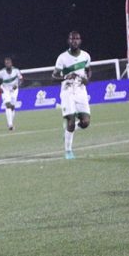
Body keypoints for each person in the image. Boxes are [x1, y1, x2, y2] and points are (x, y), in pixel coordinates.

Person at [52, 31, 91, 160]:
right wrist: (65, 76)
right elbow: (53, 76)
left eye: (77, 39)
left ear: (80, 40)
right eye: (72, 38)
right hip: (67, 90)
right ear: (68, 41)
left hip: (80, 90)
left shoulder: (85, 56)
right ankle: (68, 151)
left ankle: (68, 131)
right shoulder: (62, 57)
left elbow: (88, 70)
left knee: (85, 122)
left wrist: (87, 79)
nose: (74, 41)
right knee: (71, 121)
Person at [0, 57, 23, 130]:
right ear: (5, 64)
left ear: (11, 63)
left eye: (9, 63)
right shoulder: (1, 72)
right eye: (6, 63)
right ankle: (10, 125)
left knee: (12, 106)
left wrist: (17, 85)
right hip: (5, 89)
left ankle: (10, 121)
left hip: (14, 89)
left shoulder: (16, 70)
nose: (7, 64)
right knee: (8, 105)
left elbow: (21, 80)